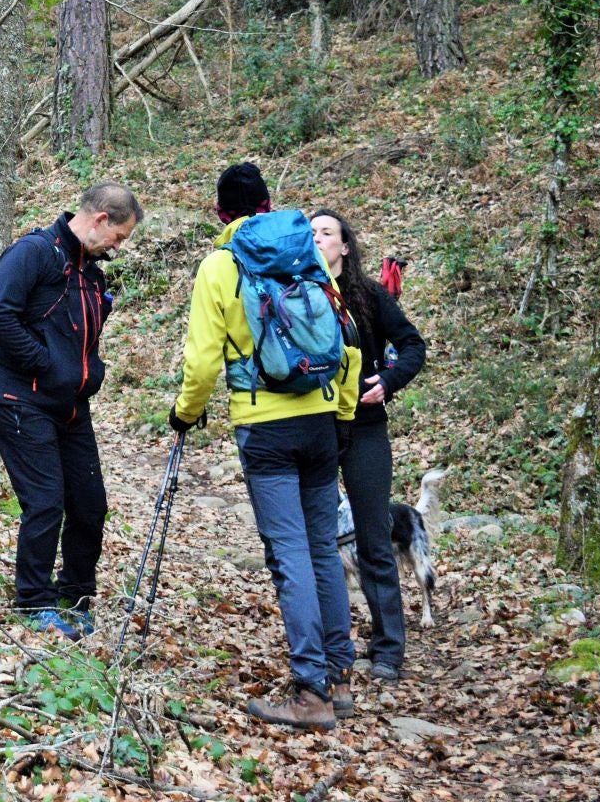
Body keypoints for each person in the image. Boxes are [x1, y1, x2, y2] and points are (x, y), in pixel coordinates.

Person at [169, 163, 360, 730]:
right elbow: (344, 339)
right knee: (323, 547)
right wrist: (342, 412)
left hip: (266, 427)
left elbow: (203, 361)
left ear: (220, 213)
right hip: (323, 417)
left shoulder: (220, 265)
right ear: (269, 203)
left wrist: (186, 413)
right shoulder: (305, 250)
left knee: (289, 554)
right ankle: (341, 677)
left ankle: (311, 692)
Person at [0, 182, 143, 640]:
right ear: (100, 220)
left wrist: (86, 374)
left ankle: (76, 597)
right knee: (46, 501)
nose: (118, 246)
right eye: (120, 236)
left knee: (90, 505)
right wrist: (47, 364)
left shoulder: (92, 273)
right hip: (21, 399)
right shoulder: (34, 253)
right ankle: (34, 601)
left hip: (72, 406)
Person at [311, 209, 427, 685]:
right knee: (318, 543)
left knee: (374, 537)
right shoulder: (297, 293)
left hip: (364, 426)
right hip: (313, 427)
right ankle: (327, 645)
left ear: (345, 246)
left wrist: (390, 380)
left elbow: (413, 345)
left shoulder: (371, 295)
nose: (317, 239)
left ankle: (388, 650)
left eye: (326, 233)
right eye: (311, 233)